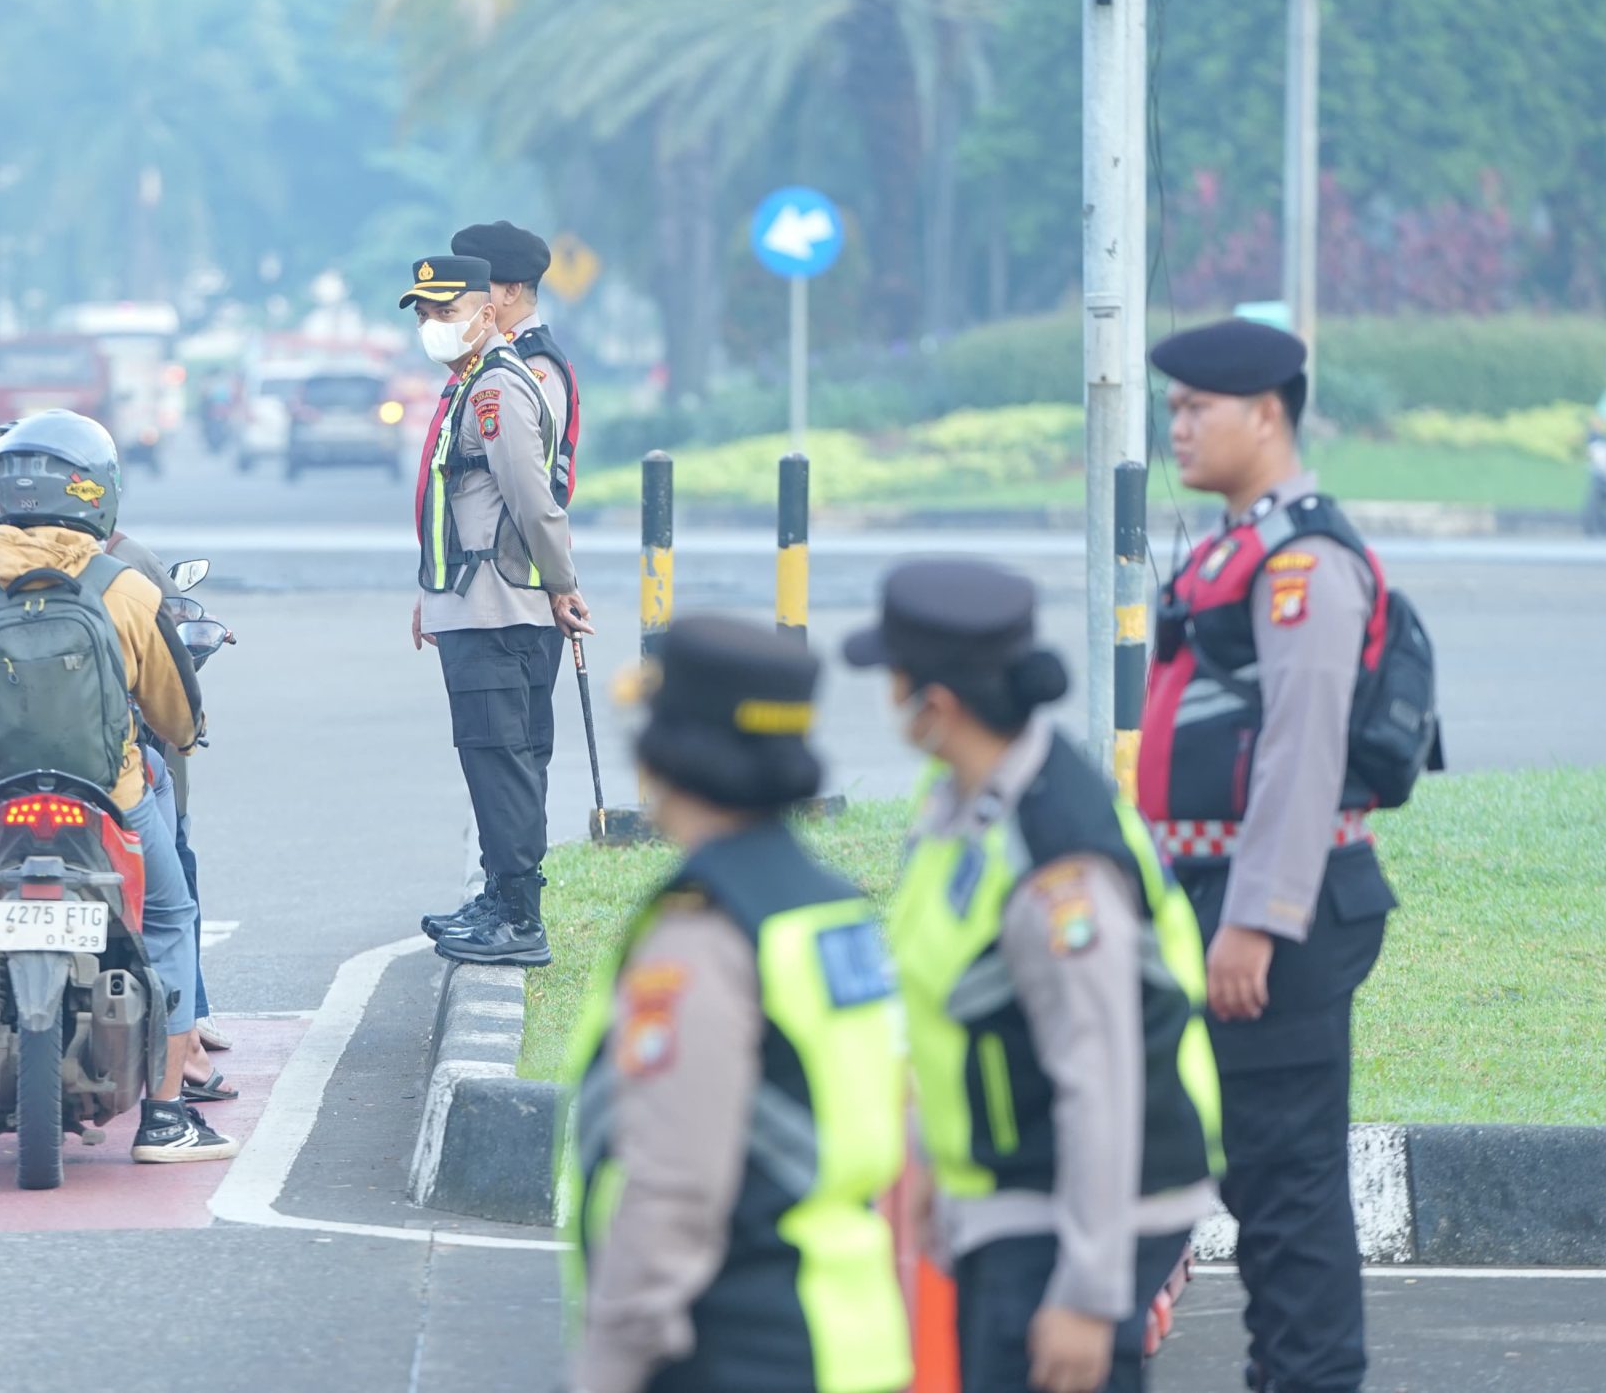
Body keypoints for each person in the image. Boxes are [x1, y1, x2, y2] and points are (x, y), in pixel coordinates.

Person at [849, 560, 1222, 1393]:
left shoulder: (1058, 860)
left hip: (1076, 1211)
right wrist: (935, 1166)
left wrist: (1088, 1296)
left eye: (893, 678)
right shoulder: (963, 806)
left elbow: (1100, 1080)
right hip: (1012, 1192)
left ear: (935, 706)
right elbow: (959, 1015)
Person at [0, 409, 231, 1167]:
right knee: (167, 922)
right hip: (107, 797)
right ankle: (164, 1119)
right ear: (96, 494)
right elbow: (176, 720)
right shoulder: (125, 586)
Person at [1138, 319, 1400, 1393]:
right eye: (1173, 411)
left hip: (1271, 911)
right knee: (1201, 1153)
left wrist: (1255, 918)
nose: (1179, 428)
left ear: (1268, 413)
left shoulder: (1306, 560)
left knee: (1285, 1190)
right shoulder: (1230, 545)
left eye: (1198, 409)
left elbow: (1301, 752)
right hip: (1202, 890)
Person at [562, 615, 911, 1393]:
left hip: (736, 1349)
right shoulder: (833, 909)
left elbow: (671, 1189)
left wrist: (608, 1366)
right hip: (853, 1342)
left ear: (664, 754)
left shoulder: (704, 932)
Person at [405, 252, 590, 968]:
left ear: (489, 310)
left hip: (499, 609)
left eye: (445, 312)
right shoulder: (471, 384)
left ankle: (518, 915)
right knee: (490, 758)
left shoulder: (499, 389)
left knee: (503, 759)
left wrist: (562, 581)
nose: (432, 325)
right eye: (425, 313)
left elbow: (533, 498)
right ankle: (499, 898)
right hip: (470, 606)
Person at [454, 220, 582, 493]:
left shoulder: (533, 365)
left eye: (473, 285)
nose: (460, 295)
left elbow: (533, 493)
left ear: (511, 291)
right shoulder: (486, 355)